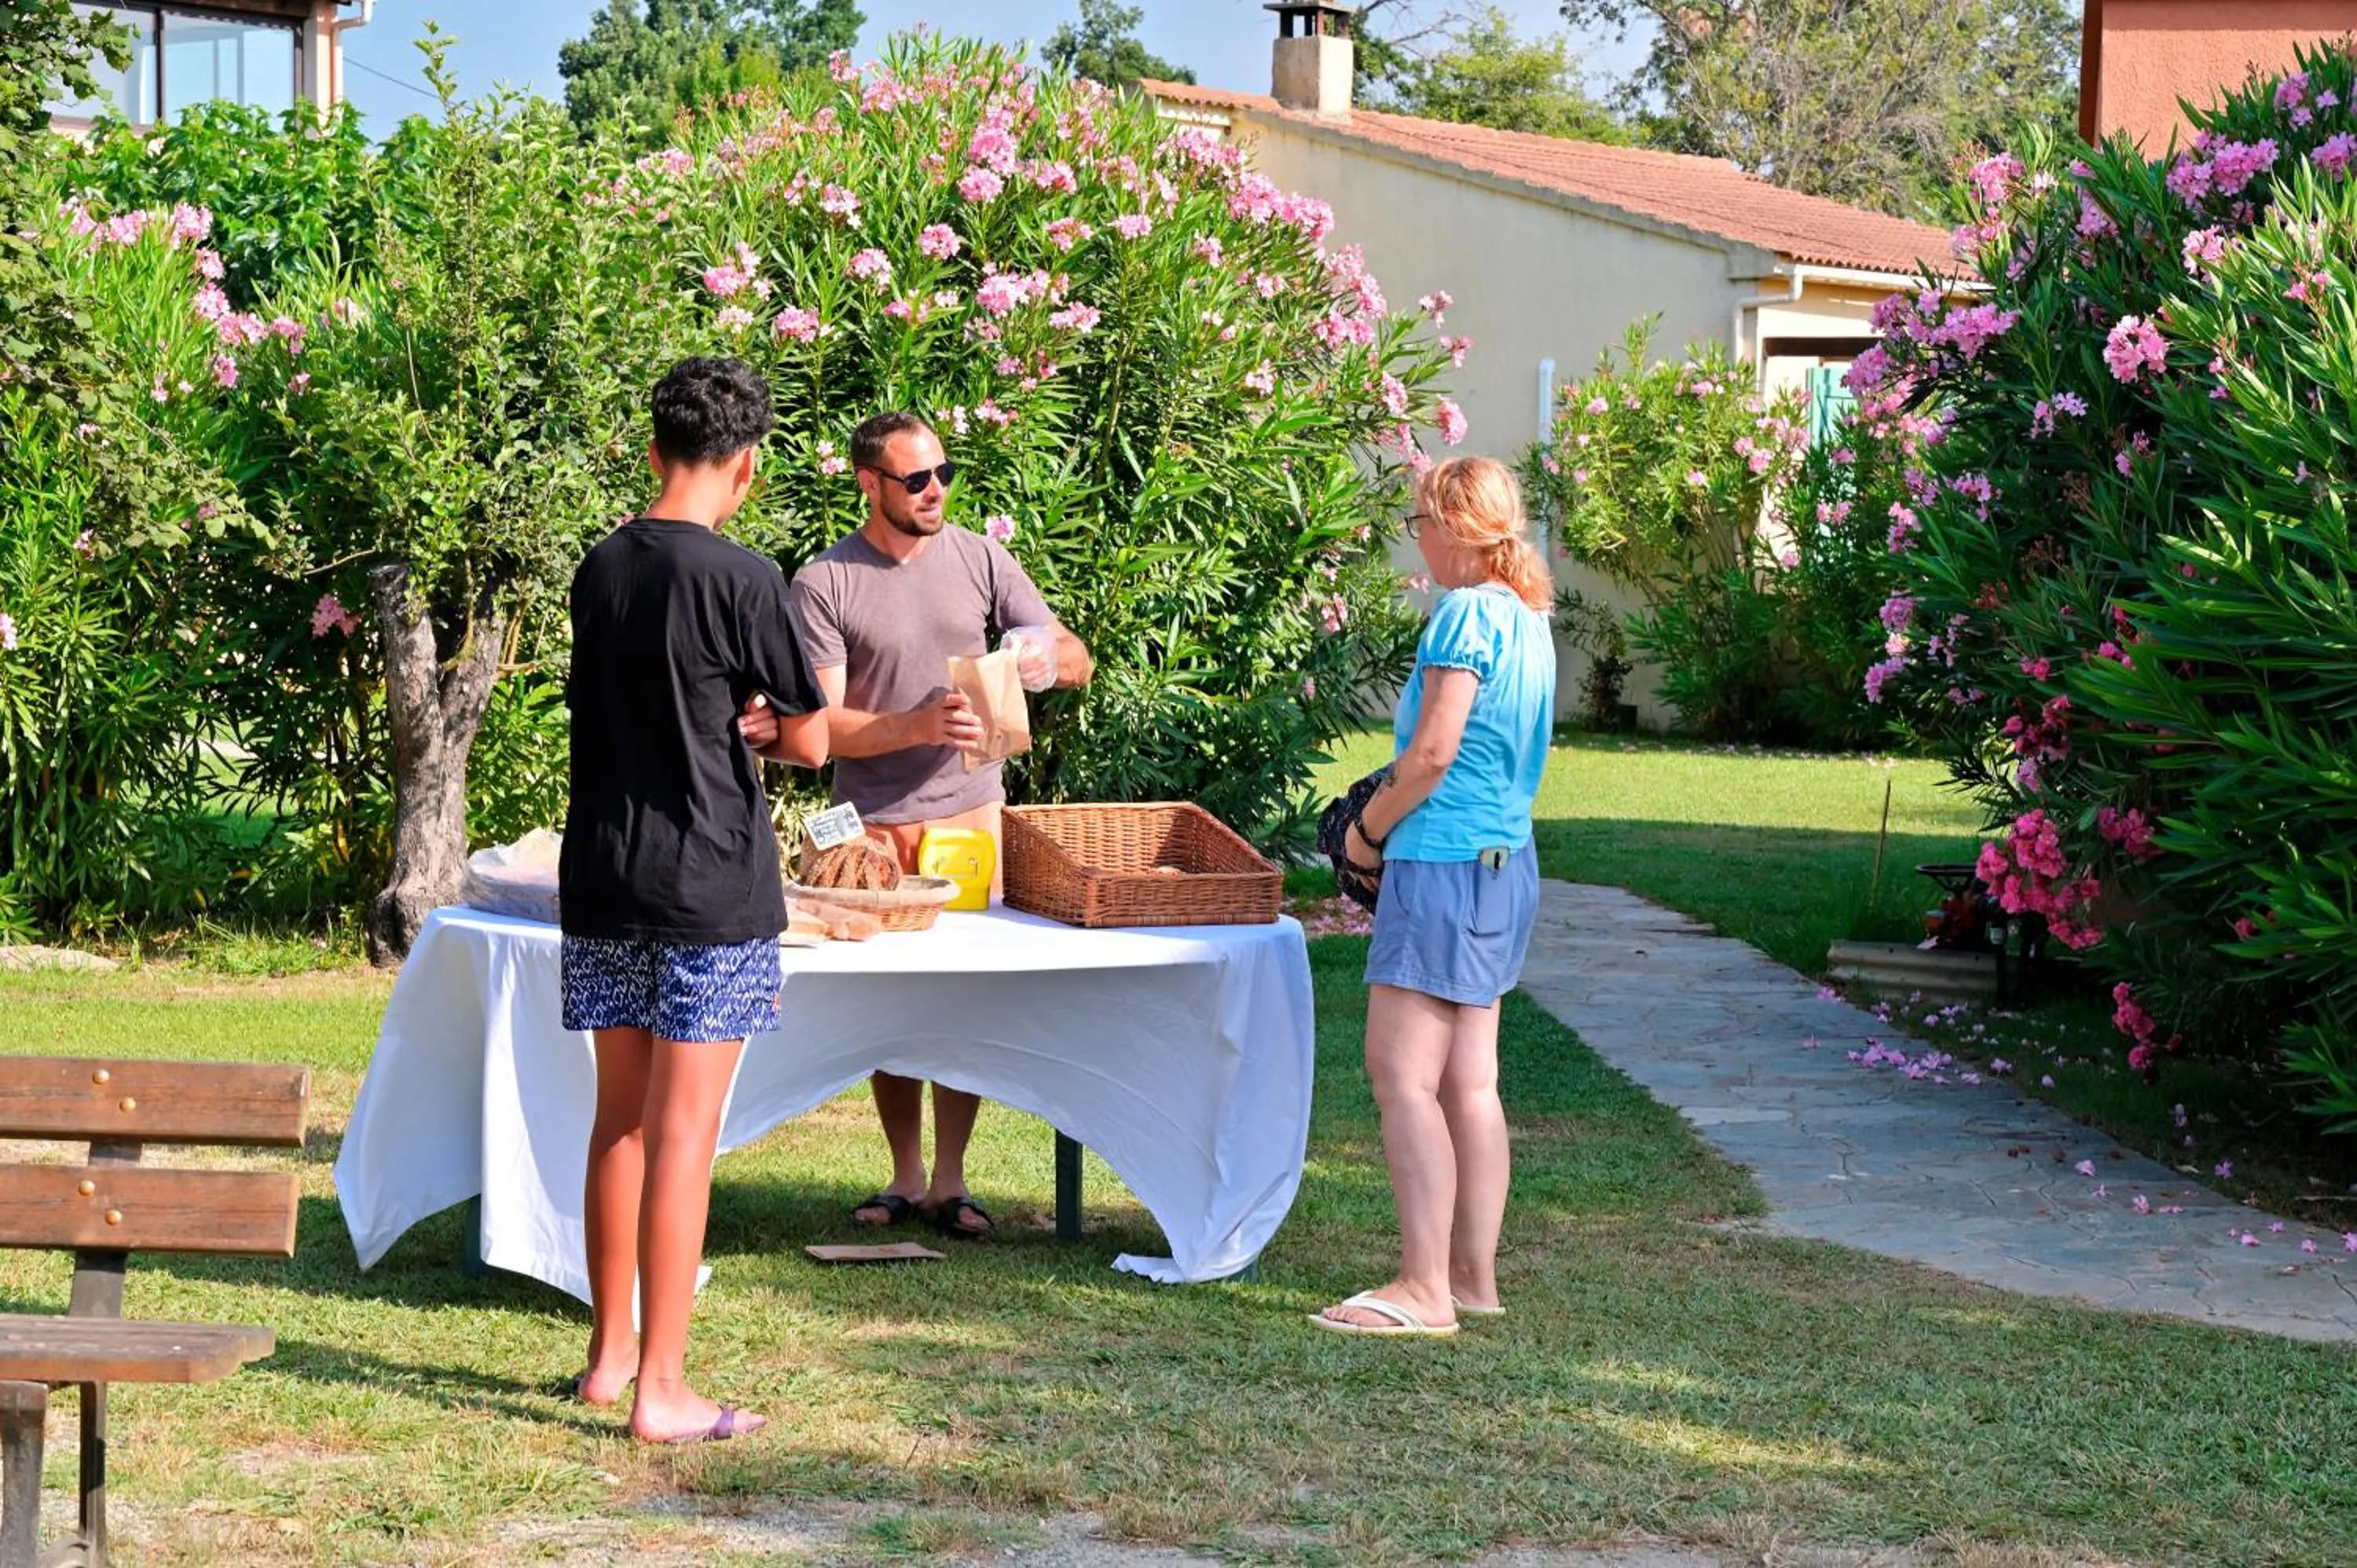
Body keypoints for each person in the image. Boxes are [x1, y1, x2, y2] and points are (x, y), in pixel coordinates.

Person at [559, 357, 828, 1441]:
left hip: (604, 873)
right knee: (682, 1139)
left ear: (654, 445)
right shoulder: (746, 579)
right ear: (748, 463)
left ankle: (609, 1358)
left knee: (617, 1125)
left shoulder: (601, 566)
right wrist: (766, 723)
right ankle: (665, 1391)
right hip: (710, 882)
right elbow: (807, 736)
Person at [787, 410, 1093, 1239]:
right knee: (890, 1002)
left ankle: (952, 1180)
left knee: (960, 997)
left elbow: (1074, 654)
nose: (936, 491)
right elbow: (820, 728)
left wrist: (1043, 657)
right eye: (917, 479)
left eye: (944, 473)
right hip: (870, 828)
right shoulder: (826, 581)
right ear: (869, 483)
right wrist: (916, 724)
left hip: (971, 816)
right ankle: (903, 1172)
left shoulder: (980, 557)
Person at [1313, 455, 1556, 1337]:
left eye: (1421, 523)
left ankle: (1422, 1290)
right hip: (1504, 864)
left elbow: (1432, 754)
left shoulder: (1461, 615)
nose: (1417, 541)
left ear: (1456, 527)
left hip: (1443, 864)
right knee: (1470, 1085)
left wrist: (1365, 832)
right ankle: (1470, 1281)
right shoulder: (1530, 617)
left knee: (1401, 1074)